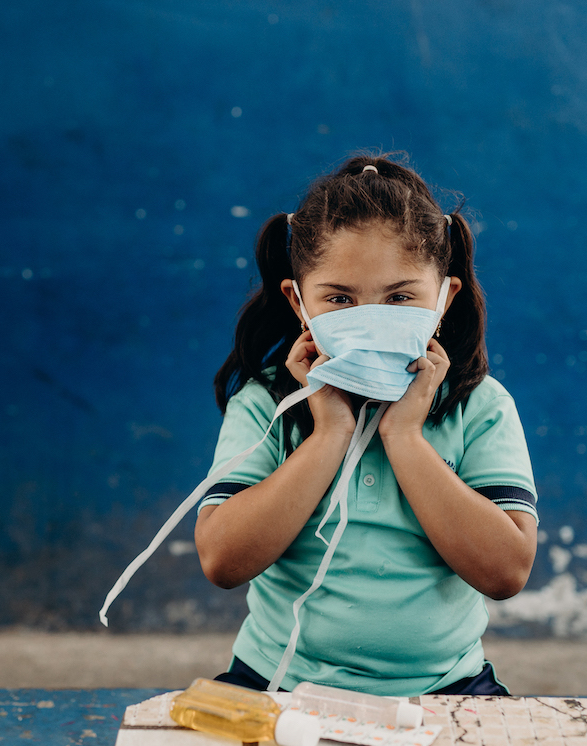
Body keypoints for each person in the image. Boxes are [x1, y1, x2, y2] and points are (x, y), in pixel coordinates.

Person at [195, 153, 539, 696]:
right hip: (277, 682)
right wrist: (329, 433)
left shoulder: (480, 406)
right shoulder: (268, 405)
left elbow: (506, 573)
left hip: (445, 689)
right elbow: (221, 559)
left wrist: (403, 437)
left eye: (401, 297)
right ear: (299, 302)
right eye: (339, 299)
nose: (370, 316)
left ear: (443, 298)